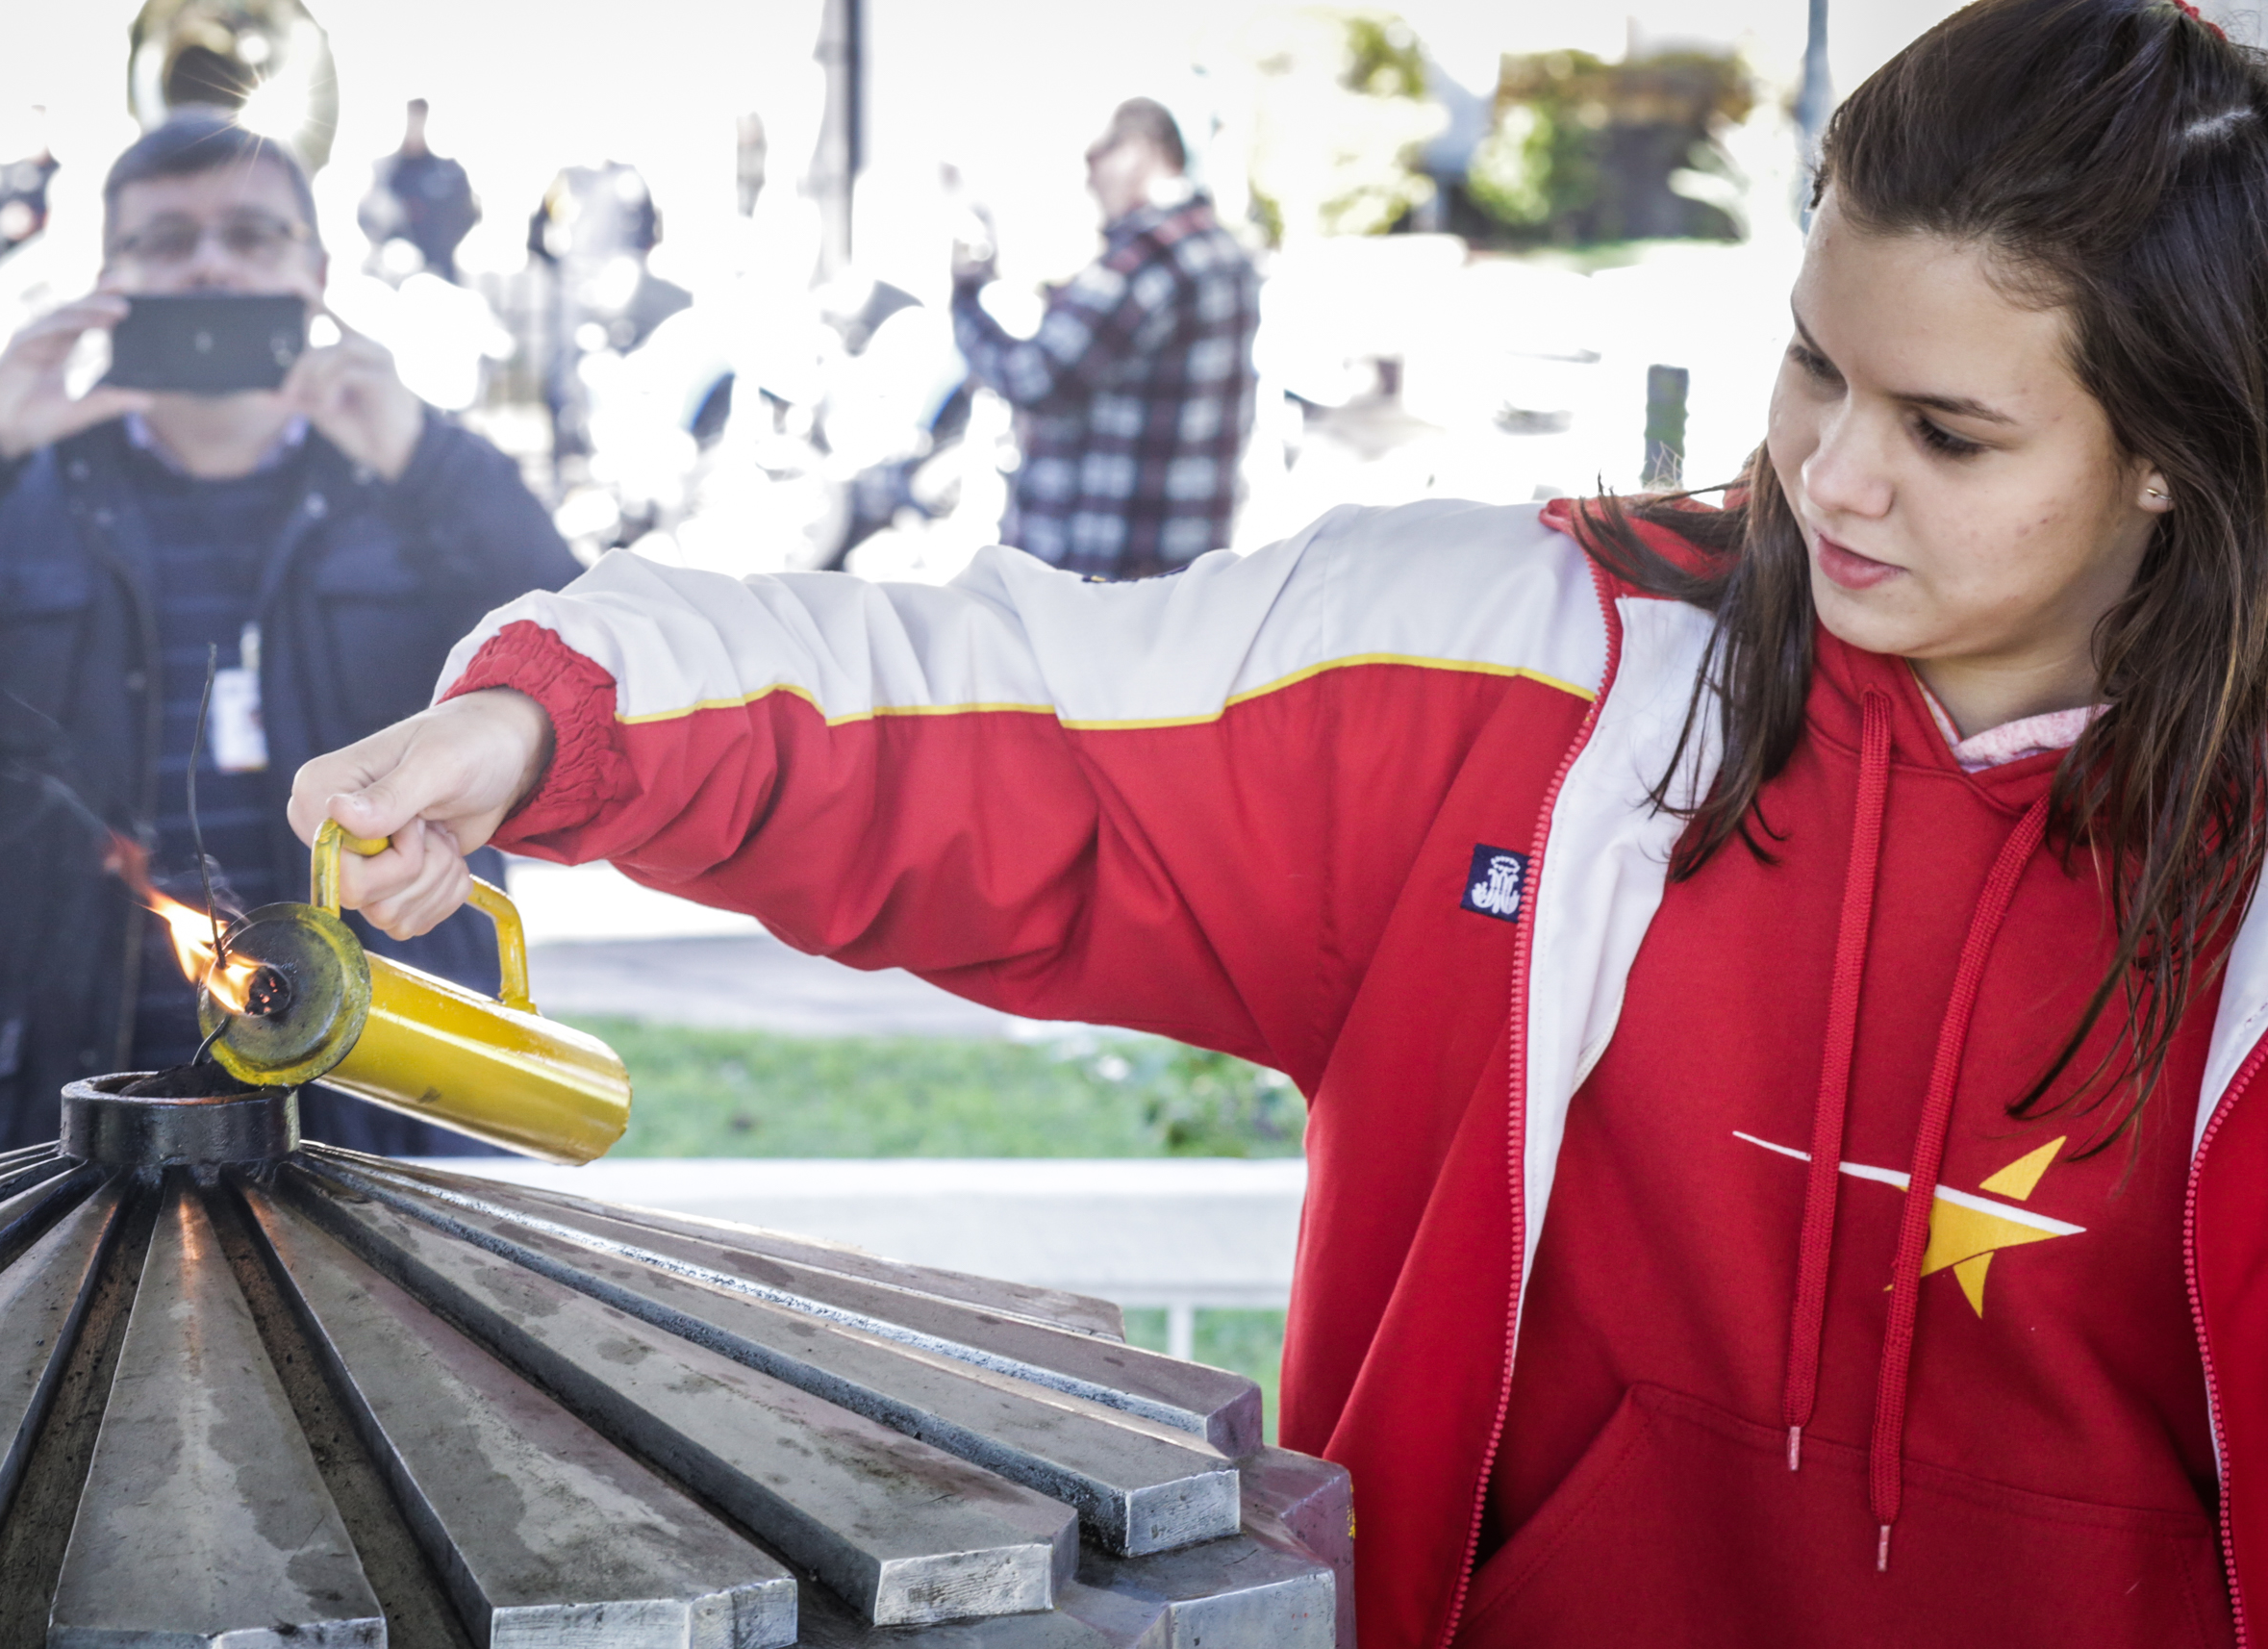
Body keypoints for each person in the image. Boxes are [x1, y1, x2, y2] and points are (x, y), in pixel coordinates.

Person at [281, 3, 2268, 1643]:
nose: (1833, 477)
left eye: (1947, 431)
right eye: (1814, 368)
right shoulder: (1520, 662)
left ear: (2174, 452)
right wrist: (552, 723)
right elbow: (1004, 708)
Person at [0, 110, 576, 1156]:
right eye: (166, 240)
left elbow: (592, 709)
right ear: (108, 279)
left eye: (251, 234)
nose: (211, 266)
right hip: (42, 1117)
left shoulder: (421, 490)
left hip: (377, 1108)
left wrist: (433, 462)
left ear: (315, 271)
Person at [949, 97, 1259, 580]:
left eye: (1095, 157)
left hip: (1103, 573)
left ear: (1138, 151)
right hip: (1180, 566)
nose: (1089, 178)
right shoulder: (1220, 247)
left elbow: (1036, 379)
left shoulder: (1150, 252)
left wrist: (964, 298)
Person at [356, 98, 478, 284]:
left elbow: (469, 214)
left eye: (419, 119)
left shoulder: (450, 173)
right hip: (392, 276)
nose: (414, 127)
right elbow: (367, 217)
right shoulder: (385, 175)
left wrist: (440, 250)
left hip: (440, 272)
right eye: (410, 119)